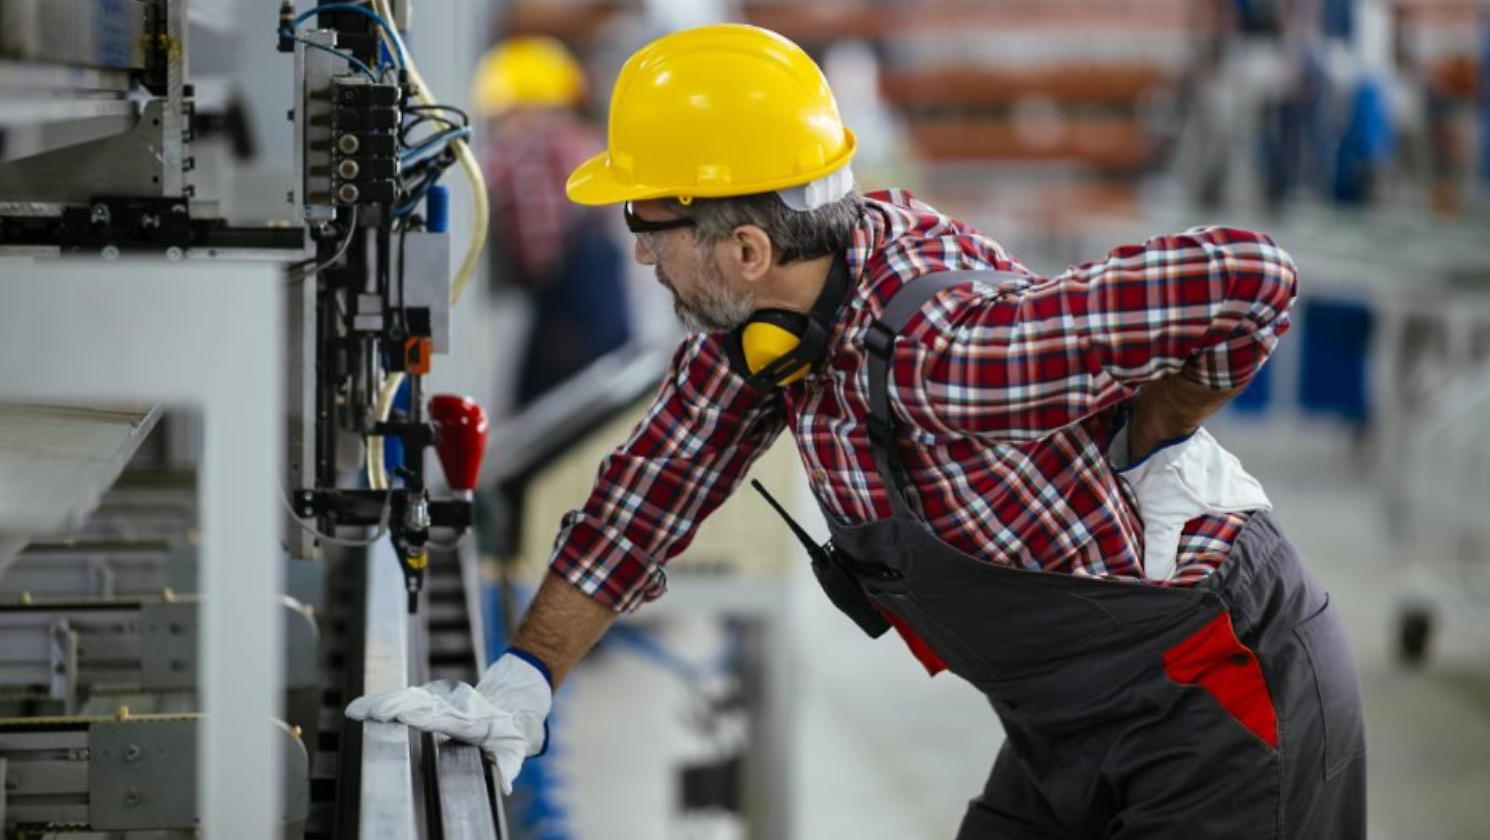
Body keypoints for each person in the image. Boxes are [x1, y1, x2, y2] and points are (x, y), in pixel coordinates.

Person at [349, 24, 1366, 838]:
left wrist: (1158, 431)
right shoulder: (767, 328)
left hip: (1223, 697)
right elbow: (646, 493)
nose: (643, 259)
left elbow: (1249, 277)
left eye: (646, 228)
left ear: (745, 245)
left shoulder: (945, 350)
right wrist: (522, 684)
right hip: (1072, 722)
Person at [473, 35, 632, 407]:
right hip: (603, 306)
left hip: (567, 312)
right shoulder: (586, 142)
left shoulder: (523, 150)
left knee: (544, 411)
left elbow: (538, 249)